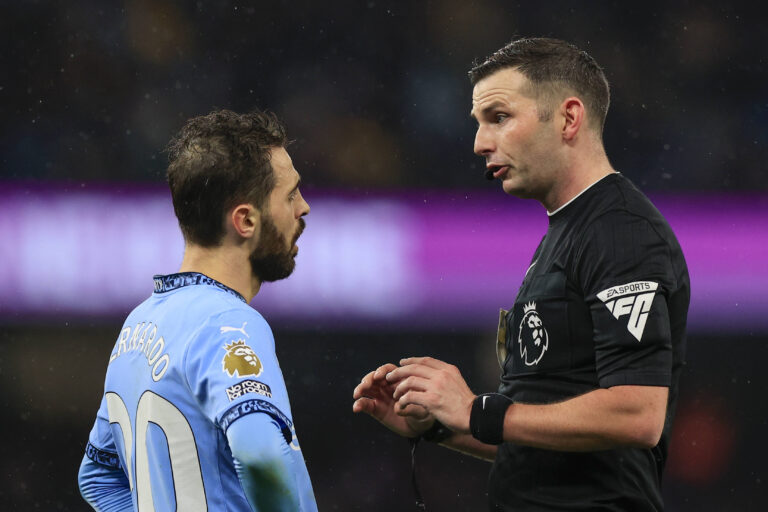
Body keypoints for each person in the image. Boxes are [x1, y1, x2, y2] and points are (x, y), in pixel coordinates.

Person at [353, 37, 689, 511]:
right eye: (480, 123)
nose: (479, 142)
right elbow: (541, 440)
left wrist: (477, 409)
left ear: (569, 118)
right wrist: (442, 426)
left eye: (500, 117)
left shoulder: (622, 234)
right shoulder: (563, 235)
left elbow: (637, 414)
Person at [78, 109, 317, 511]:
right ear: (245, 220)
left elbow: (98, 477)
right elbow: (260, 453)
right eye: (291, 194)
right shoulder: (227, 324)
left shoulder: (138, 325)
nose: (304, 207)